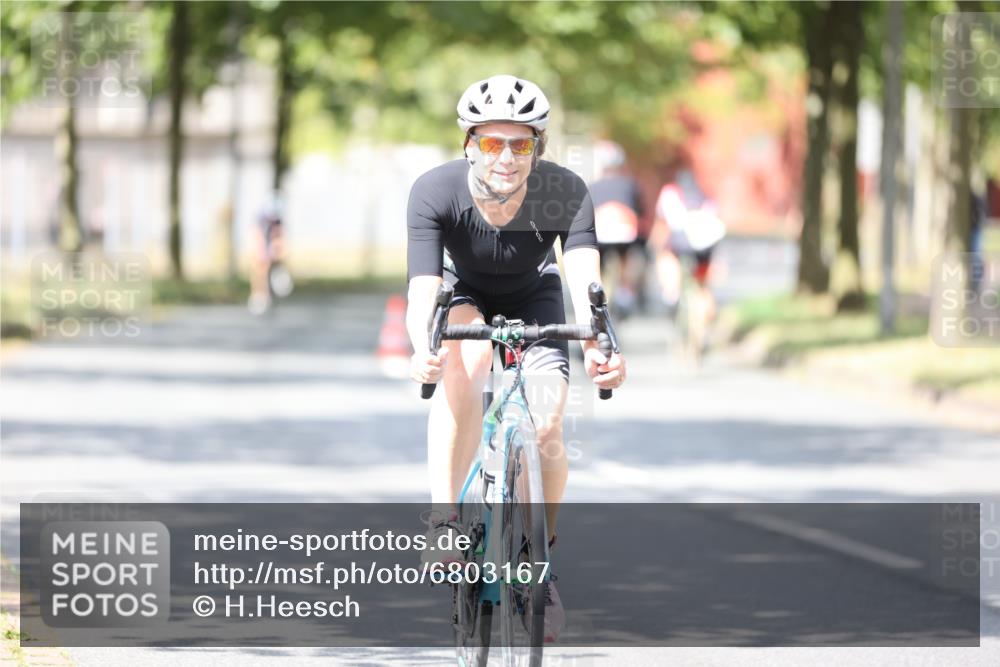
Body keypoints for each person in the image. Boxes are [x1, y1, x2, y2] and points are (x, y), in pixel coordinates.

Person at [406, 74, 627, 642]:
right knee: (465, 362)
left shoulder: (563, 190)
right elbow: (421, 291)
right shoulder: (436, 191)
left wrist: (604, 346)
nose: (506, 156)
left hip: (537, 295)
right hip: (462, 295)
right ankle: (444, 520)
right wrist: (421, 348)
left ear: (539, 147)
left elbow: (585, 280)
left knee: (550, 421)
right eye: (491, 143)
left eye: (521, 144)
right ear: (468, 144)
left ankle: (540, 566)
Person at [649, 167, 726, 342]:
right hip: (705, 246)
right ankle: (706, 327)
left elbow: (662, 223)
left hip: (679, 242)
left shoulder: (670, 193)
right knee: (703, 287)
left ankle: (672, 295)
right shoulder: (705, 195)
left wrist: (656, 247)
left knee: (667, 259)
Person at [590, 140, 645, 318]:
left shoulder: (593, 187)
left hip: (600, 235)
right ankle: (625, 292)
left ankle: (597, 294)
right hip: (625, 233)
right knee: (628, 258)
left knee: (599, 265)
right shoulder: (630, 185)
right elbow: (640, 211)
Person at [248, 192, 286, 315]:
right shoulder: (260, 218)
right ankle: (258, 295)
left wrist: (277, 249)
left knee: (277, 260)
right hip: (260, 243)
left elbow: (279, 235)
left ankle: (271, 293)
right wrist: (263, 252)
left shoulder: (278, 220)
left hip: (270, 243)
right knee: (260, 267)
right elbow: (257, 238)